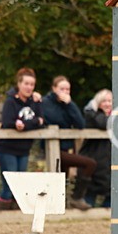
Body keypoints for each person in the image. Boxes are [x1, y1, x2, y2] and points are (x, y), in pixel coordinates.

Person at [41, 75, 96, 210]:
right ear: (54, 89)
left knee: (62, 179)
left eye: (67, 89)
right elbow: (54, 119)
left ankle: (65, 203)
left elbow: (80, 124)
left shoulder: (68, 105)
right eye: (62, 89)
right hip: (52, 148)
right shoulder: (45, 103)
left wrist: (70, 104)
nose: (65, 92)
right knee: (90, 163)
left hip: (66, 148)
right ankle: (76, 198)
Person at [0, 67, 45, 209]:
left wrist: (25, 124)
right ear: (19, 84)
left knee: (20, 185)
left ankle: (16, 215)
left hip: (24, 149)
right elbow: (8, 122)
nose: (29, 87)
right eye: (26, 84)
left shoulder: (35, 101)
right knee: (10, 185)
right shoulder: (10, 101)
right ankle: (2, 213)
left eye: (32, 84)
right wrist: (30, 123)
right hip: (7, 148)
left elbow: (41, 121)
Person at [81, 89, 113, 208]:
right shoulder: (93, 116)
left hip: (108, 162)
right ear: (98, 103)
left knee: (110, 194)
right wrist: (90, 110)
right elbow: (103, 123)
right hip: (95, 160)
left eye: (110, 101)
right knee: (91, 193)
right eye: (104, 101)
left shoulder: (116, 117)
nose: (107, 104)